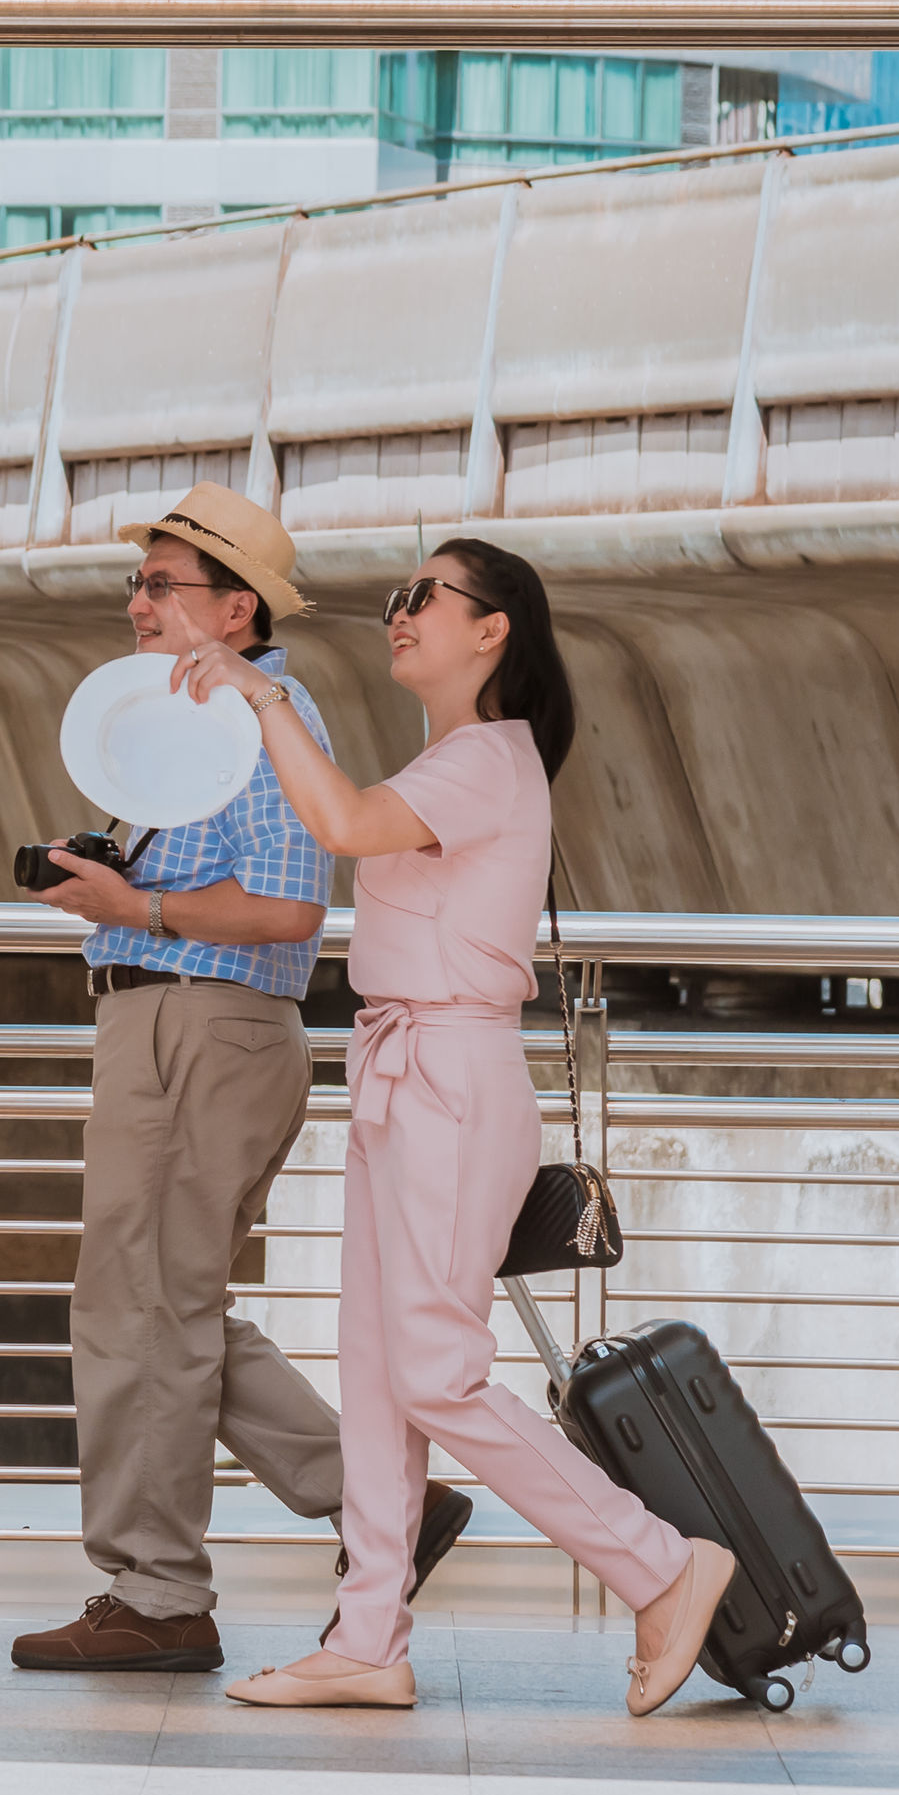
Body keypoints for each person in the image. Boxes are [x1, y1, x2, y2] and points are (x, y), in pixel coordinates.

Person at [153, 535, 736, 1714]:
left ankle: (664, 1564)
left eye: (428, 596)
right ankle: (369, 1635)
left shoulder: (487, 758)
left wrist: (261, 689)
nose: (402, 613)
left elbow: (345, 827)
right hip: (400, 1070)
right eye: (396, 598)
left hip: (454, 1078)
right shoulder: (462, 759)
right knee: (376, 1377)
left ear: (493, 629)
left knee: (432, 1370)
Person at [8, 482, 472, 1674]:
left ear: (238, 605)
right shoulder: (191, 718)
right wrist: (116, 885)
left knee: (140, 1313)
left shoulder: (266, 717)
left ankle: (159, 1595)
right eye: (142, 582)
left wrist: (138, 904)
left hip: (198, 1033)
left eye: (164, 584)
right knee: (166, 1307)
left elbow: (291, 908)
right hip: (180, 1030)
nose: (138, 604)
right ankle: (383, 1503)